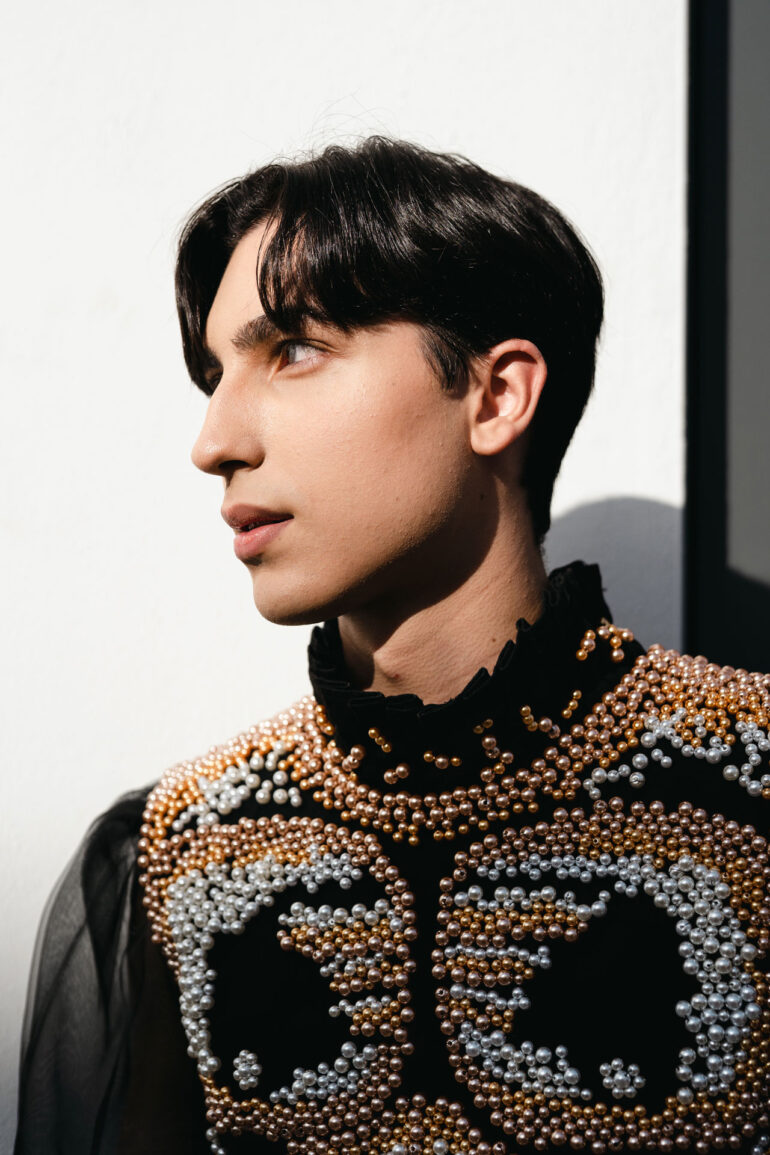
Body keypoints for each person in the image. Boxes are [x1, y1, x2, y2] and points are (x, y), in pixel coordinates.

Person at [14, 138, 769, 1155]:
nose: (213, 442)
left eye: (292, 349)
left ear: (495, 397)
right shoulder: (175, 854)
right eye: (213, 374)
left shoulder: (753, 778)